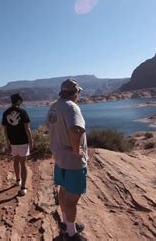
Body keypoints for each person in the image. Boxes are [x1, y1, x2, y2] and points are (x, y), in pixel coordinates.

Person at [46, 79, 89, 241]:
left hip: (60, 158)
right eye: (78, 92)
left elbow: (50, 127)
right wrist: (76, 149)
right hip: (73, 161)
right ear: (75, 92)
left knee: (63, 190)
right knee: (72, 198)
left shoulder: (54, 106)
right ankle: (71, 235)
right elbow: (76, 129)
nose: (78, 95)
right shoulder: (71, 106)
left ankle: (67, 224)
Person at [2, 93, 33, 196]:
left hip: (13, 141)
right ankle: (23, 187)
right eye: (21, 101)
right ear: (19, 101)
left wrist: (7, 142)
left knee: (16, 161)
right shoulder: (23, 112)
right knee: (23, 163)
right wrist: (31, 140)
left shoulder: (6, 112)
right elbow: (27, 128)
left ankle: (17, 180)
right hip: (23, 141)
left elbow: (5, 129)